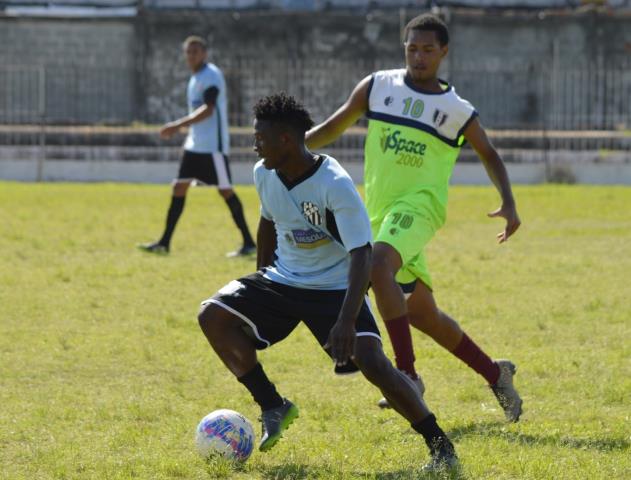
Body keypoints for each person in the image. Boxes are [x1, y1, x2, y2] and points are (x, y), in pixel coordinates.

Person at [198, 93, 458, 471]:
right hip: (283, 279)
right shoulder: (263, 172)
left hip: (336, 287)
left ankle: (441, 447)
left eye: (261, 137)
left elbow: (362, 255)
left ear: (286, 139)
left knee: (374, 364)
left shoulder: (334, 184)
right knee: (212, 316)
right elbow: (268, 221)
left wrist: (346, 321)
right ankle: (272, 404)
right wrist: (260, 278)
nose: (254, 144)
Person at [305, 13, 523, 421]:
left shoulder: (457, 110)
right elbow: (334, 126)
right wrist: (291, 150)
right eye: (411, 48)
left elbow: (489, 154)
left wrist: (508, 201)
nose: (418, 56)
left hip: (420, 208)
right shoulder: (376, 87)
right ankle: (497, 373)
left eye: (427, 49)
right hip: (380, 213)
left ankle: (407, 374)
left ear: (443, 52)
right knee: (423, 314)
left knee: (377, 264)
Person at [138, 35, 255, 257]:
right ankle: (164, 242)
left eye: (196, 51)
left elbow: (209, 109)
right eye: (188, 52)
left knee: (225, 190)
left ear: (204, 54)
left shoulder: (211, 75)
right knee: (179, 187)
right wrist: (187, 138)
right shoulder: (195, 78)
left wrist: (177, 125)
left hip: (213, 146)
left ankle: (249, 242)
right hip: (195, 145)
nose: (191, 56)